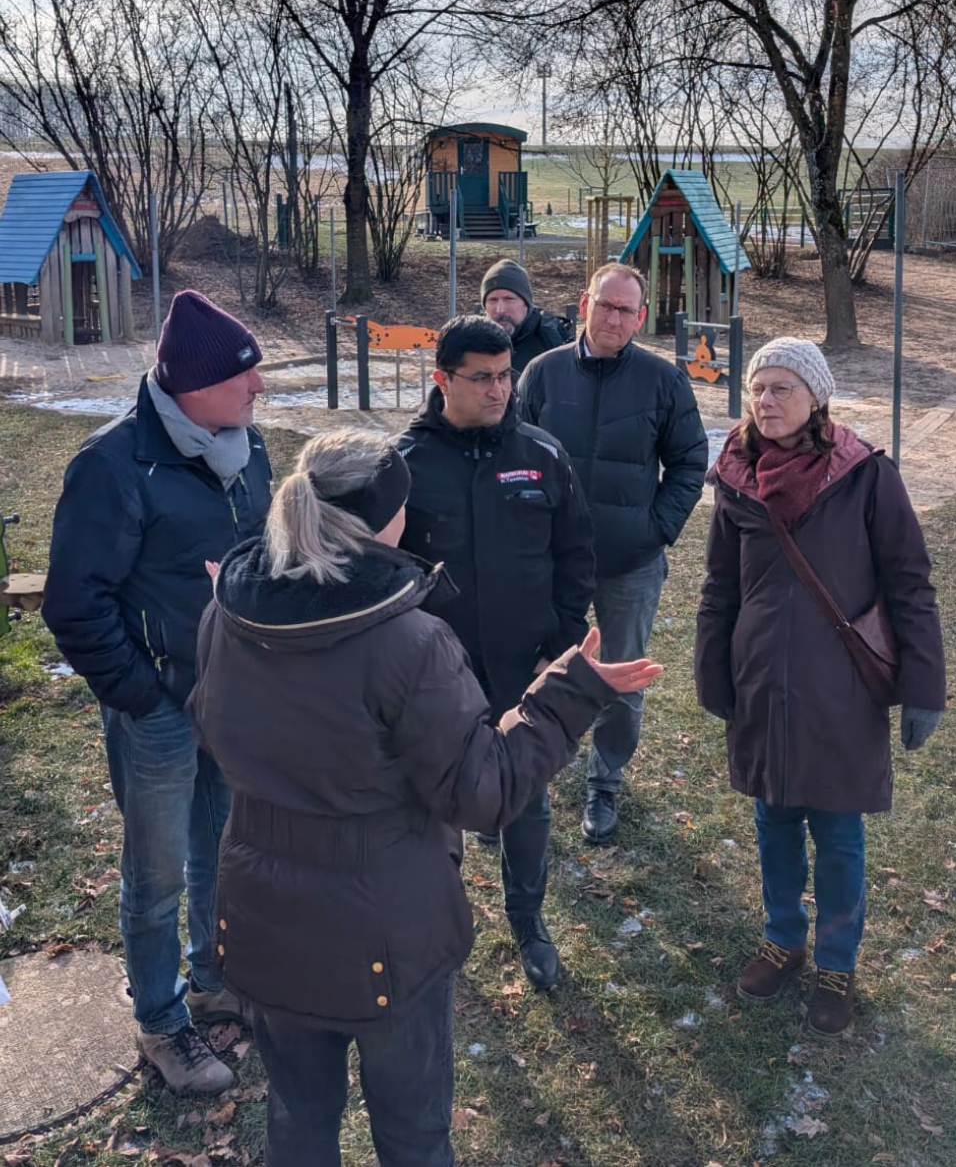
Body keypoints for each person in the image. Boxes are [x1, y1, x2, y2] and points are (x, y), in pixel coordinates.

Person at [188, 431, 661, 1167]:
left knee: (297, 1123)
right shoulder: (408, 641)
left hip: (261, 921)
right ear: (387, 519)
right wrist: (562, 697)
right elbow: (484, 793)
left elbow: (210, 727)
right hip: (386, 930)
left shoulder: (227, 614)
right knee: (413, 1136)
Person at [42, 290, 272, 1095]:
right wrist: (142, 695)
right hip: (157, 712)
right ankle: (160, 1018)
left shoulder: (248, 447)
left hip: (229, 700)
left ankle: (212, 979)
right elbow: (75, 605)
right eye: (245, 375)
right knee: (157, 874)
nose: (260, 387)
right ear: (196, 386)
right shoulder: (113, 466)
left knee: (221, 851)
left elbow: (259, 558)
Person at [694, 337, 946, 1037]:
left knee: (836, 831)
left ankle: (837, 962)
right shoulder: (737, 476)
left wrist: (925, 687)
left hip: (841, 687)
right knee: (774, 818)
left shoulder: (865, 474)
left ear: (816, 398)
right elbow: (720, 587)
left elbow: (910, 584)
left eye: (782, 388)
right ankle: (783, 938)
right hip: (761, 682)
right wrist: (713, 670)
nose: (765, 400)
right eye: (757, 388)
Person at [394, 315, 594, 990]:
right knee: (431, 805)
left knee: (524, 800)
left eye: (506, 375)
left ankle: (528, 922)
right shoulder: (405, 464)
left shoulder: (543, 455)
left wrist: (558, 648)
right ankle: (436, 925)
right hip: (436, 677)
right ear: (442, 380)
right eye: (482, 378)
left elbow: (576, 559)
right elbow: (381, 572)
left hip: (522, 665)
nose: (499, 390)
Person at [518, 261, 708, 844]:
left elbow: (689, 462)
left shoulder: (663, 381)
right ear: (585, 304)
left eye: (626, 310)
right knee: (544, 668)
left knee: (622, 680)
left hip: (630, 563)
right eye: (605, 305)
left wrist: (656, 529)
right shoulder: (543, 373)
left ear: (641, 318)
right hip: (552, 562)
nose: (614, 318)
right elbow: (512, 451)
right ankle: (531, 768)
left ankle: (605, 782)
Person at [481, 259, 574, 372]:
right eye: (493, 300)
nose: (500, 310)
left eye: (509, 299)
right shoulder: (474, 343)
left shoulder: (552, 343)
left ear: (526, 304)